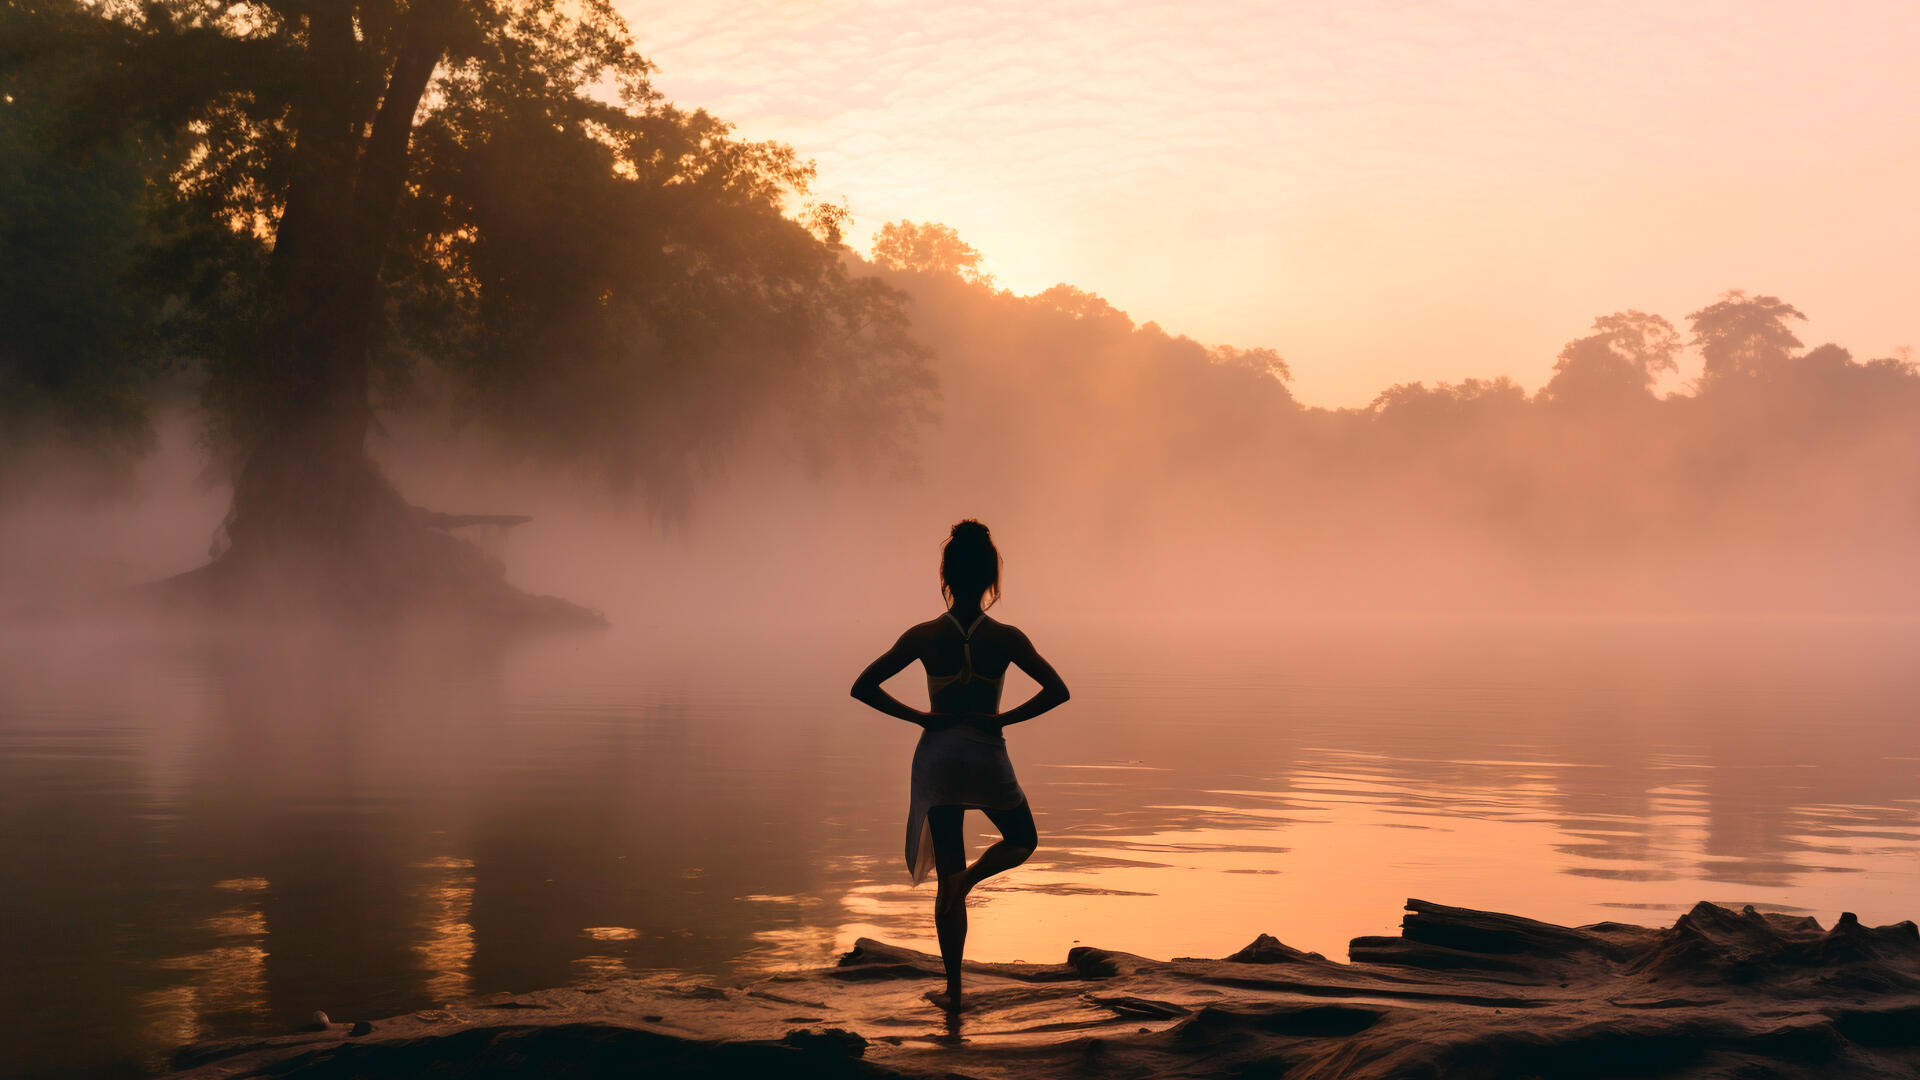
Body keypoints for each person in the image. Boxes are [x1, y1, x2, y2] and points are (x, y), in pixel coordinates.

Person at [850, 519, 1071, 1012]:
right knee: (1023, 840)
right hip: (987, 755)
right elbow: (1058, 691)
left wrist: (922, 717)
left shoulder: (924, 635)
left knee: (949, 868)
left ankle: (953, 990)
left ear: (946, 576)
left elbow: (862, 686)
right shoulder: (1007, 638)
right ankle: (968, 884)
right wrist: (1000, 719)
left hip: (938, 760)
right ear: (991, 579)